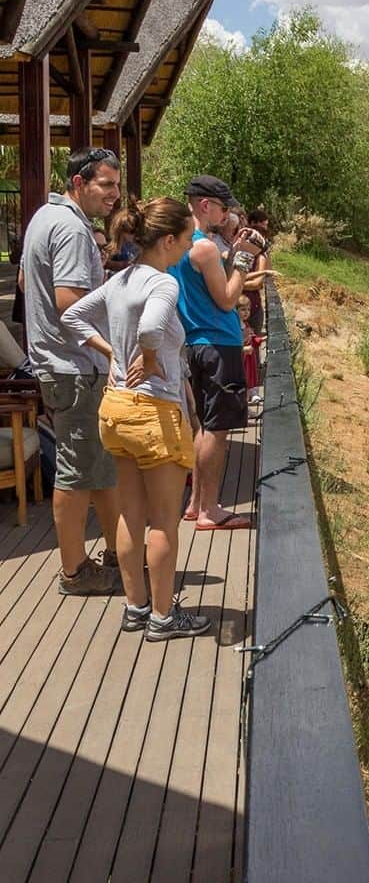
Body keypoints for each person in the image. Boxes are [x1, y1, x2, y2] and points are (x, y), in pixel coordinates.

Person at [61, 197, 211, 640]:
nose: (187, 249)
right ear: (167, 240)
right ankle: (164, 617)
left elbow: (71, 315)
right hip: (154, 413)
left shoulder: (120, 280)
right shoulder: (163, 284)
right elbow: (151, 328)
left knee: (131, 514)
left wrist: (111, 353)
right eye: (185, 241)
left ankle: (135, 606)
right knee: (164, 519)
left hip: (117, 409)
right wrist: (145, 356)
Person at [20, 147, 121, 595]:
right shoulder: (73, 229)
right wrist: (111, 347)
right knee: (76, 473)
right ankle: (75, 571)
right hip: (75, 369)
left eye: (117, 185)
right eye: (107, 185)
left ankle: (118, 552)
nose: (115, 194)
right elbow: (69, 303)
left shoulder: (44, 217)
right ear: (79, 183)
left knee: (97, 465)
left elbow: (27, 283)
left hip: (59, 366)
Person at [171, 176, 265, 530]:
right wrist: (243, 261)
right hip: (218, 344)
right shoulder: (204, 247)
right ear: (205, 205)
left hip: (193, 343)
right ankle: (211, 509)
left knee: (203, 427)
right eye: (224, 208)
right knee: (219, 430)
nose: (227, 215)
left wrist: (233, 250)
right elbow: (226, 298)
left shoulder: (180, 245)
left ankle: (196, 504)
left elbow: (210, 287)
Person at [243, 208, 271, 335]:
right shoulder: (239, 254)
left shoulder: (261, 256)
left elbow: (258, 283)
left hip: (252, 307)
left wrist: (231, 285)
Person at [236, 295, 262, 405]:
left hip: (249, 357)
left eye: (248, 309)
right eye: (242, 309)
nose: (246, 312)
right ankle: (244, 405)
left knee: (249, 378)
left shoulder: (246, 324)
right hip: (242, 358)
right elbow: (236, 343)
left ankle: (248, 401)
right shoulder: (236, 326)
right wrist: (244, 348)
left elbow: (253, 338)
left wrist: (262, 339)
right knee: (242, 380)